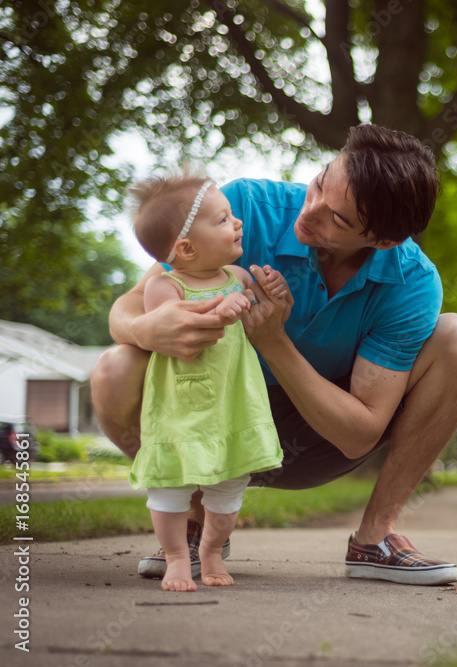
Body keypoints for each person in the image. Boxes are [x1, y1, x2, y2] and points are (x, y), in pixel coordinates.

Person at [92, 124, 457, 586]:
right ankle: (196, 520)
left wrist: (273, 343)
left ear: (382, 241)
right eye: (320, 182)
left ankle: (375, 538)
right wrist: (145, 327)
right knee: (113, 368)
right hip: (204, 415)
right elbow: (126, 307)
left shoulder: (413, 283)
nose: (310, 211)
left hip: (318, 439)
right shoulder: (239, 207)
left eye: (337, 219)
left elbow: (359, 436)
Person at [127, 171, 289, 592]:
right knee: (169, 488)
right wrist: (220, 312)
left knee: (229, 490)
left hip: (233, 402)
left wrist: (270, 290)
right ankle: (178, 556)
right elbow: (186, 328)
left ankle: (212, 549)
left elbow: (260, 307)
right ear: (185, 247)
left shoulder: (237, 275)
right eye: (222, 220)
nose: (236, 223)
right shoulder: (165, 286)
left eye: (232, 215)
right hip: (182, 407)